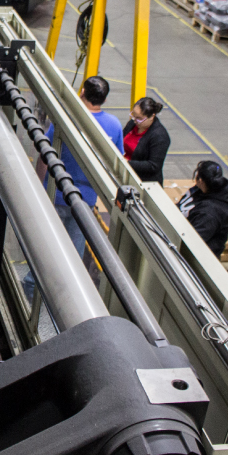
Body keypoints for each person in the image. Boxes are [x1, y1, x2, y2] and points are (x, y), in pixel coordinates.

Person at [23, 76, 124, 299]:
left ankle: (31, 286)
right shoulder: (114, 126)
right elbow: (115, 164)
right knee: (74, 253)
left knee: (48, 246)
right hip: (85, 201)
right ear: (105, 99)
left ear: (82, 92)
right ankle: (66, 297)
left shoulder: (68, 119)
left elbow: (45, 154)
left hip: (56, 194)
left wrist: (38, 186)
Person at [177, 161, 228, 257]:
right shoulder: (201, 189)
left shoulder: (210, 213)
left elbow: (192, 241)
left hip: (197, 257)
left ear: (201, 180)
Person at [123, 97, 170, 184]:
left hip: (144, 181)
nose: (135, 120)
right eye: (133, 115)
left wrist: (128, 163)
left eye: (139, 118)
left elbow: (153, 166)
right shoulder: (132, 124)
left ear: (152, 117)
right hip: (126, 173)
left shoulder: (160, 136)